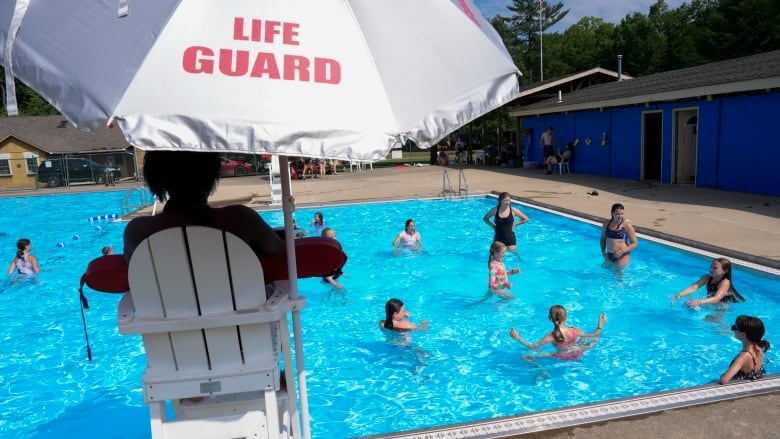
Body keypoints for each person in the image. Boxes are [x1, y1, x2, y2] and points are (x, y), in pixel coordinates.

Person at [123, 151, 284, 262]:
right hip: (241, 309)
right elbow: (280, 250)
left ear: (156, 179)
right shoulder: (241, 220)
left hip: (167, 312)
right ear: (212, 176)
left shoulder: (137, 232)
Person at [510, 305, 607, 360]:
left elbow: (531, 346)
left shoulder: (550, 337)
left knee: (527, 355)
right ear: (566, 317)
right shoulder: (573, 330)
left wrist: (517, 337)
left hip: (561, 357)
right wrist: (600, 325)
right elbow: (595, 334)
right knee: (588, 338)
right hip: (577, 353)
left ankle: (540, 370)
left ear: (550, 319)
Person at [673, 257, 745, 308]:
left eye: (715, 268)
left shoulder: (725, 282)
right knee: (688, 304)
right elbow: (693, 288)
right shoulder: (706, 278)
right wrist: (679, 295)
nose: (711, 269)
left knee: (714, 320)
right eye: (711, 267)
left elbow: (717, 298)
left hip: (725, 304)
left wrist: (699, 302)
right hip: (713, 301)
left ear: (724, 271)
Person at [719, 315, 770, 384]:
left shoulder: (744, 356)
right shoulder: (759, 349)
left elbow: (724, 380)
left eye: (734, 327)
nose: (732, 329)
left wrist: (722, 376)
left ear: (743, 335)